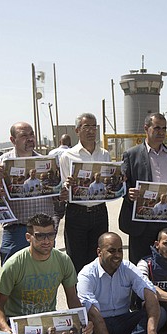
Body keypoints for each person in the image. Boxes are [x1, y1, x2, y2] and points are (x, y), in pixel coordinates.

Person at [77, 232, 165, 334]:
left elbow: (150, 293)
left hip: (123, 320)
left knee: (161, 314)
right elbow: (93, 314)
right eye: (112, 251)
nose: (117, 255)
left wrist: (152, 332)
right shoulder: (86, 274)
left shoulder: (127, 267)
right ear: (99, 252)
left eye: (120, 250)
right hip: (100, 324)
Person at [0, 214, 85, 333]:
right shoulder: (14, 265)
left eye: (50, 235)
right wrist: (5, 329)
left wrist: (83, 322)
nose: (46, 241)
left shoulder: (63, 260)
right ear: (28, 237)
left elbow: (72, 298)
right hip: (18, 324)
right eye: (40, 236)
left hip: (48, 324)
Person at [0, 122, 67, 264]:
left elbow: (56, 195)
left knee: (45, 274)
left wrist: (61, 194)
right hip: (16, 230)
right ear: (13, 140)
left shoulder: (47, 163)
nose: (30, 138)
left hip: (43, 231)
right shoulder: (1, 164)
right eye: (24, 135)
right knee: (12, 275)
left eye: (32, 134)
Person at [119, 113, 167, 264]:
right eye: (156, 128)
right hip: (142, 223)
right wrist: (128, 193)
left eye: (164, 128)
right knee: (140, 266)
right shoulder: (131, 155)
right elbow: (122, 184)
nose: (161, 132)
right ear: (146, 128)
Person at [59, 113, 111, 272]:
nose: (91, 130)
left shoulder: (104, 154)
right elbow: (62, 191)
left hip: (99, 211)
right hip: (77, 213)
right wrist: (67, 187)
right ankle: (77, 296)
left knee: (99, 260)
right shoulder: (67, 156)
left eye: (93, 126)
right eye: (86, 126)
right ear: (77, 130)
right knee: (76, 260)